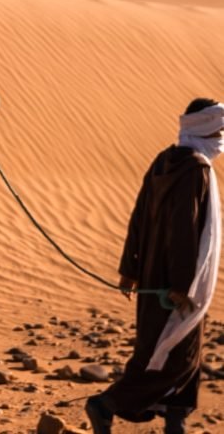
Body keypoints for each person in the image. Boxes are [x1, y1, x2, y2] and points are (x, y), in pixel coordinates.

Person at [86, 98, 223, 434]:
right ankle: (107, 404)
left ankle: (176, 419)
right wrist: (182, 285)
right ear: (207, 129)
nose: (221, 139)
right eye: (219, 131)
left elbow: (139, 215)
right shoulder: (196, 170)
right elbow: (184, 230)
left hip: (152, 273)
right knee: (176, 356)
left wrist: (129, 268)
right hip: (176, 283)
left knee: (172, 349)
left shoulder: (164, 160)